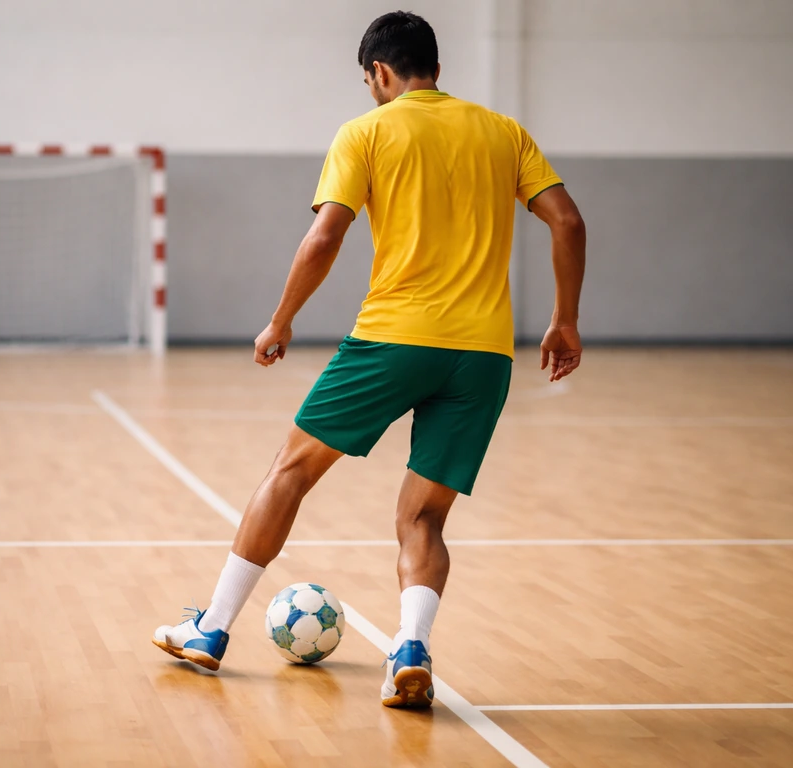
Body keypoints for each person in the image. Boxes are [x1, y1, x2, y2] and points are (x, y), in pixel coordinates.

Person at [153, 10, 586, 708]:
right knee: (423, 519)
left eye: (368, 81)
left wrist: (280, 320)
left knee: (290, 472)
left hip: (393, 339)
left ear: (381, 74)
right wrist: (564, 320)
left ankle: (211, 628)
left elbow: (325, 238)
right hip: (481, 355)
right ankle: (408, 650)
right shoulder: (504, 132)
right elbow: (567, 220)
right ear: (436, 70)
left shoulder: (367, 131)